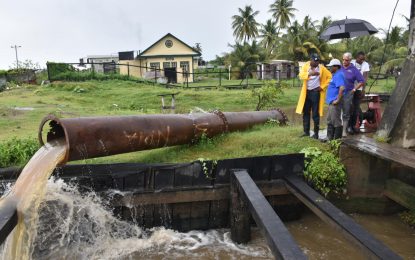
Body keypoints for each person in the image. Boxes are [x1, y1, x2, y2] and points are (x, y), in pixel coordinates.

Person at [296, 53, 332, 139]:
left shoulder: (321, 68)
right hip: (306, 93)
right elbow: (300, 75)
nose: (317, 63)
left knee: (315, 113)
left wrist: (322, 87)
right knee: (306, 113)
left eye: (318, 61)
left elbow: (330, 77)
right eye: (315, 61)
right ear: (310, 60)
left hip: (316, 93)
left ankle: (316, 133)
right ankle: (306, 132)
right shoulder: (306, 66)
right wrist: (310, 74)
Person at [340, 52, 364, 137]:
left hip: (348, 93)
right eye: (343, 59)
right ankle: (337, 129)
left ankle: (345, 130)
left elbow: (362, 81)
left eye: (346, 60)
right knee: (336, 111)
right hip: (338, 93)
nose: (344, 61)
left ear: (350, 60)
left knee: (346, 111)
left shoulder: (354, 69)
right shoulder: (340, 68)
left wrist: (354, 89)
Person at [350, 51, 370, 133]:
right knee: (349, 108)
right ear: (356, 57)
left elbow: (365, 77)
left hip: (359, 89)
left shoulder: (365, 64)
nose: (362, 61)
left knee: (356, 108)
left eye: (363, 59)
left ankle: (354, 126)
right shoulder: (351, 63)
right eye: (360, 59)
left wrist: (363, 89)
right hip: (350, 89)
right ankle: (348, 126)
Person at [325, 59, 345, 140]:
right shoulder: (335, 74)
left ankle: (337, 140)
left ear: (336, 67)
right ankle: (329, 137)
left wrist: (337, 100)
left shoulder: (339, 75)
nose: (329, 68)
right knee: (330, 120)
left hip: (335, 102)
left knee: (336, 121)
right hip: (331, 102)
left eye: (331, 66)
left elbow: (342, 87)